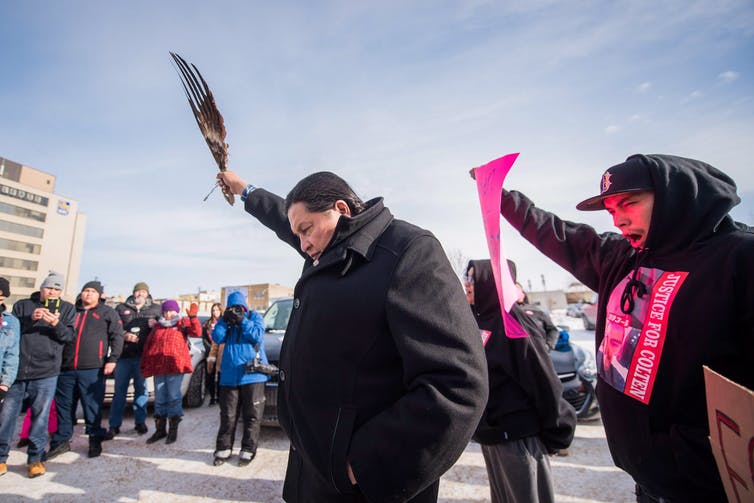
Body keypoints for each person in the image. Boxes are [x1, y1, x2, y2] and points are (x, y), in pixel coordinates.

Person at [477, 154, 754, 501]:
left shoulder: (739, 258)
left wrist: (689, 453)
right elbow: (552, 231)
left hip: (712, 486)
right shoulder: (620, 257)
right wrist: (499, 196)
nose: (619, 218)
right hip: (648, 477)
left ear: (674, 196)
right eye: (610, 210)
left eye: (629, 203)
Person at [217, 170, 488, 502]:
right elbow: (286, 219)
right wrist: (245, 191)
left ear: (341, 210)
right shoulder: (331, 249)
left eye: (306, 230)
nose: (302, 244)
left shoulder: (407, 252)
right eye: (297, 234)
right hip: (314, 472)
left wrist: (364, 464)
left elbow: (457, 384)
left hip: (362, 487)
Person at [465, 259, 575, 503]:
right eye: (467, 277)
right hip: (493, 436)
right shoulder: (482, 320)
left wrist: (558, 432)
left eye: (473, 278)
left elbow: (544, 381)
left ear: (491, 283)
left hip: (519, 439)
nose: (467, 284)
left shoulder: (514, 323)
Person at [0, 272, 75, 478]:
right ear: (41, 288)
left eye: (57, 289)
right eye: (49, 288)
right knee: (7, 416)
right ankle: (1, 457)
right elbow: (11, 333)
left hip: (46, 371)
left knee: (40, 417)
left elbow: (68, 336)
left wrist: (56, 324)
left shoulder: (67, 309)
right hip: (19, 369)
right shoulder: (23, 306)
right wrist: (31, 320)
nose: (52, 292)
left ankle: (36, 458)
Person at [47, 281, 124, 460]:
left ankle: (94, 438)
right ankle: (61, 441)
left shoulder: (107, 313)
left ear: (99, 295)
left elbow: (117, 336)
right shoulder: (71, 311)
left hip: (92, 368)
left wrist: (113, 360)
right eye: (86, 291)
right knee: (65, 406)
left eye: (92, 291)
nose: (88, 294)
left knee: (92, 406)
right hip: (66, 367)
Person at [211, 292, 267, 467]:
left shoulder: (254, 317)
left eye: (239, 308)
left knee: (252, 416)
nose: (236, 311)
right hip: (230, 376)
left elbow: (257, 336)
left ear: (245, 307)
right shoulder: (227, 322)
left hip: (253, 375)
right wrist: (224, 321)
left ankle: (248, 450)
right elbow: (217, 337)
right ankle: (223, 449)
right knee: (228, 415)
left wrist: (242, 320)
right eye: (232, 308)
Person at [140, 300, 201, 444]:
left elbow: (197, 332)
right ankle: (160, 430)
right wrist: (145, 363)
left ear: (176, 311)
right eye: (165, 311)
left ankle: (173, 430)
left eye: (171, 311)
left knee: (174, 397)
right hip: (159, 367)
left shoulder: (182, 324)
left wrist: (193, 318)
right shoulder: (158, 326)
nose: (168, 314)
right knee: (160, 398)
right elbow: (149, 345)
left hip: (175, 367)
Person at [109, 282, 161, 436]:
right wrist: (124, 335)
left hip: (143, 357)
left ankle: (140, 422)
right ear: (133, 293)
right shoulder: (121, 308)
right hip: (124, 355)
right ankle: (114, 425)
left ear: (148, 294)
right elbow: (113, 328)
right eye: (138, 291)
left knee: (141, 390)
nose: (140, 294)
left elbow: (164, 328)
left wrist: (155, 325)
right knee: (119, 391)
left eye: (143, 292)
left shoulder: (155, 309)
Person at [0, 277, 20, 477]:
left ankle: (1, 458)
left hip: (1, 379)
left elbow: (12, 353)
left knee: (4, 421)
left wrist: (6, 382)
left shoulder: (11, 322)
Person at [515, 283, 559, 350]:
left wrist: (548, 346)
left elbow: (552, 330)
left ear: (523, 293)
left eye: (517, 289)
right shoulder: (504, 313)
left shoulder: (536, 310)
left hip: (539, 352)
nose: (515, 291)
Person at [203, 302, 222, 406]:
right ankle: (212, 397)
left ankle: (219, 396)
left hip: (221, 352)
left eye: (217, 310)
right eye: (213, 310)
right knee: (209, 375)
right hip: (210, 352)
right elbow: (204, 339)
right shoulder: (207, 324)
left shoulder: (224, 323)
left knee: (220, 375)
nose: (215, 312)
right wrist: (210, 349)